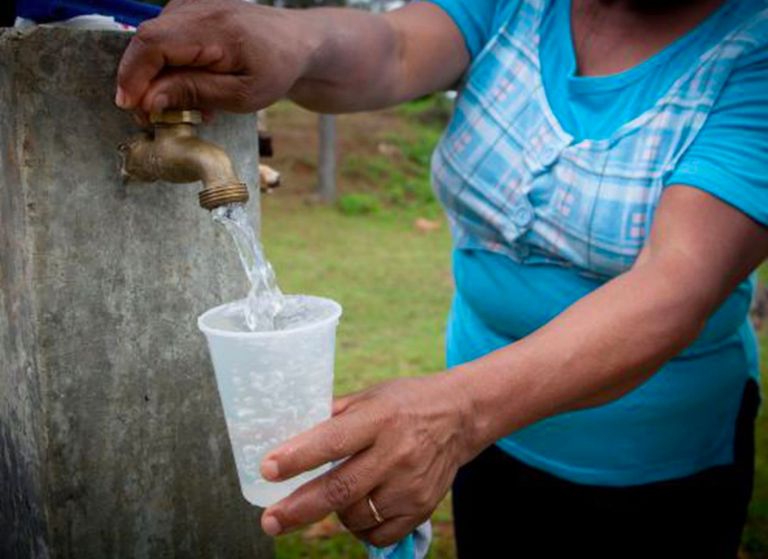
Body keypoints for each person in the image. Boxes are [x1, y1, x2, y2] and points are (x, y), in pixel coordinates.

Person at [116, 0, 768, 556]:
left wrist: (455, 414)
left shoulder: (754, 44)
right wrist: (285, 38)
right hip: (490, 442)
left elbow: (676, 283)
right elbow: (393, 47)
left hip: (658, 465)